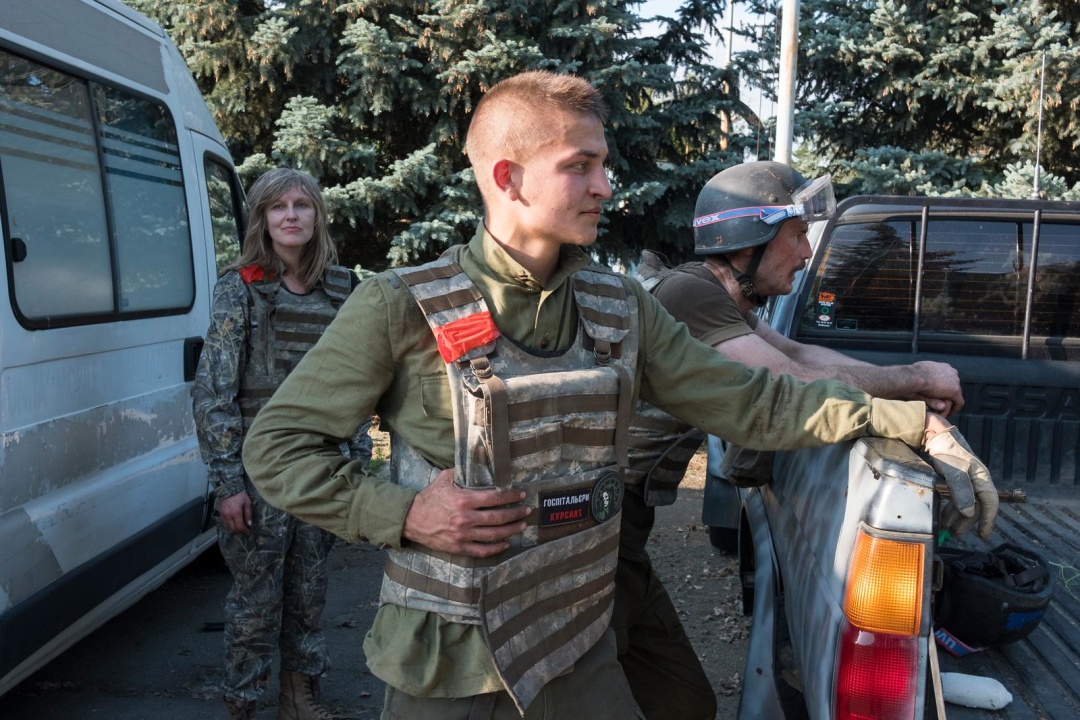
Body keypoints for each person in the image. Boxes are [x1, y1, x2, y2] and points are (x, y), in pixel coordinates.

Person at [240, 72, 997, 720]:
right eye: (582, 165)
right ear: (507, 177)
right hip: (449, 666)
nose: (606, 185)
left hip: (577, 647)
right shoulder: (399, 304)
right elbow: (274, 449)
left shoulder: (620, 307)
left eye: (603, 163)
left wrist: (905, 419)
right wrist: (403, 511)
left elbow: (752, 399)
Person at [616, 160, 974, 720]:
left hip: (625, 533)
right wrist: (915, 389)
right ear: (749, 236)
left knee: (684, 702)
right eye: (798, 234)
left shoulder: (722, 297)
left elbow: (803, 356)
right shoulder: (688, 295)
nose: (807, 252)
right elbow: (786, 383)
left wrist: (910, 380)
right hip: (601, 531)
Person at [192, 168, 372, 720]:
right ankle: (243, 703)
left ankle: (301, 699)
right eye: (278, 207)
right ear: (262, 219)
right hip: (257, 475)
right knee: (255, 603)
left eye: (301, 205)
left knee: (309, 595)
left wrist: (357, 462)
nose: (290, 215)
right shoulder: (240, 287)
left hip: (319, 470)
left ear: (317, 216)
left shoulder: (344, 290)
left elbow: (360, 382)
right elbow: (213, 393)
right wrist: (227, 484)